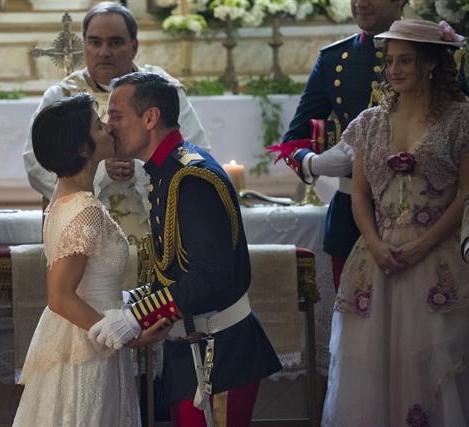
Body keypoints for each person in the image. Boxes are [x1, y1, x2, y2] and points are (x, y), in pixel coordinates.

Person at [89, 72, 281, 426]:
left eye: (116, 115)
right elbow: (177, 269)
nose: (108, 125)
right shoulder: (166, 171)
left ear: (150, 118)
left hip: (219, 354)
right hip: (194, 346)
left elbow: (211, 278)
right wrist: (133, 301)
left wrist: (136, 315)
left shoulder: (190, 178)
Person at [322, 19, 469, 426]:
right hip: (378, 259)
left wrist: (424, 245)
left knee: (432, 358)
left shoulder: (461, 119)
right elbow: (360, 194)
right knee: (373, 364)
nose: (395, 70)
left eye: (405, 60)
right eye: (390, 61)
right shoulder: (370, 122)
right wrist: (373, 242)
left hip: (437, 256)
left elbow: (466, 194)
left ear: (430, 65)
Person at [13, 93, 171, 426]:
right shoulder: (84, 210)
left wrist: (132, 307)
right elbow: (59, 297)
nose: (109, 130)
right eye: (100, 126)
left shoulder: (65, 196)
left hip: (85, 333)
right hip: (87, 347)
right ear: (84, 148)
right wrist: (124, 335)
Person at [23, 2, 209, 245]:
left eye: (115, 42)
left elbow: (195, 154)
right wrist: (100, 172)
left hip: (156, 231)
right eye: (95, 41)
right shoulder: (61, 97)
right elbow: (36, 163)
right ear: (84, 44)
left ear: (134, 46)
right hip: (83, 234)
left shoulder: (164, 92)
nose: (104, 52)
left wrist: (141, 170)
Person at [278, 0, 407, 291]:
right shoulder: (335, 58)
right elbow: (291, 142)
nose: (360, 3)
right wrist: (313, 163)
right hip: (350, 215)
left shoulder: (434, 51)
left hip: (417, 211)